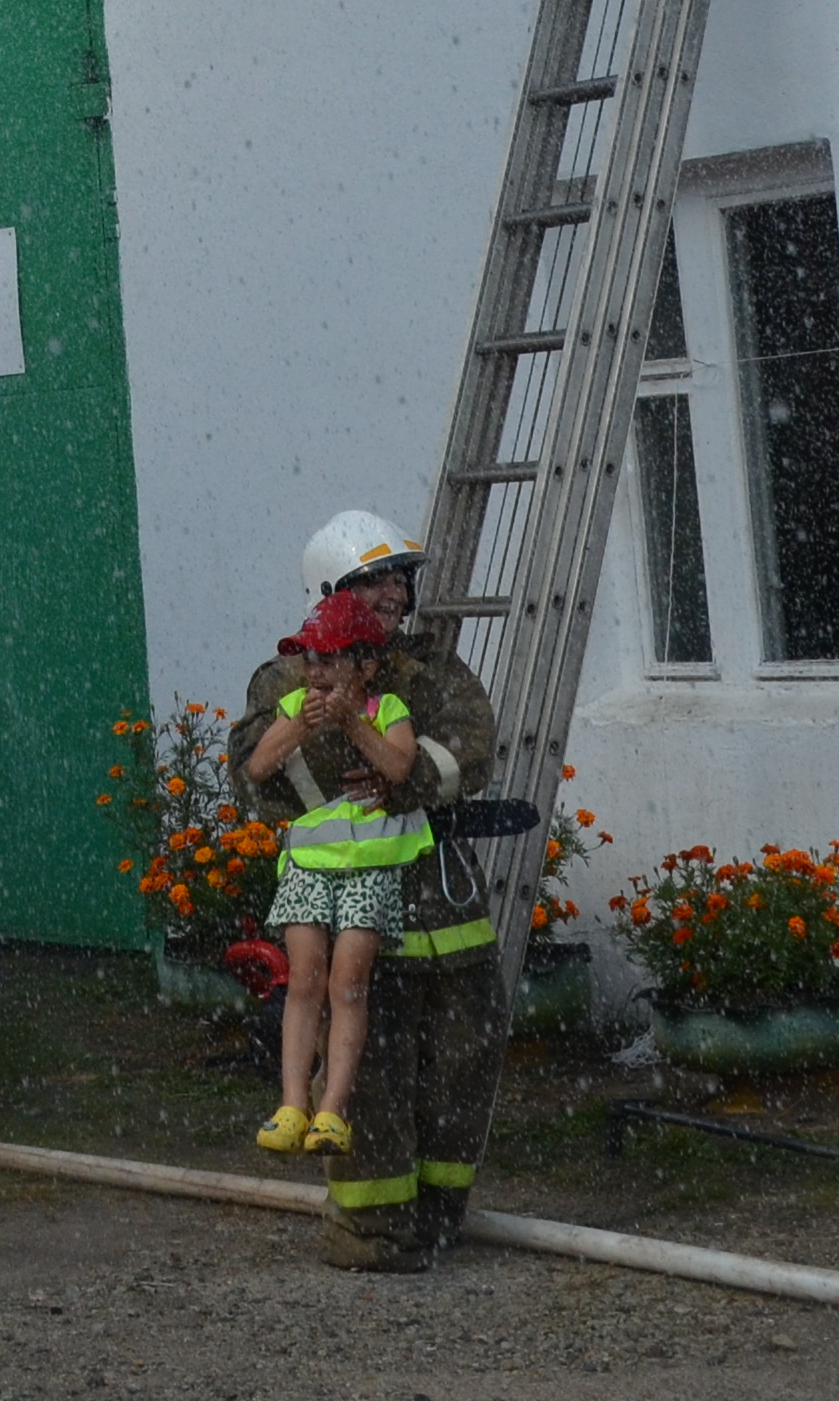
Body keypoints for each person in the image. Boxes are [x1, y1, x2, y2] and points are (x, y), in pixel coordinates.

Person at [230, 508, 506, 1272]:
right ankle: (372, 1231)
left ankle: (441, 1214)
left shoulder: (433, 672)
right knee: (371, 1074)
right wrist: (332, 737)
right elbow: (257, 776)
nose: (393, 591)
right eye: (373, 579)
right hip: (351, 914)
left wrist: (406, 776)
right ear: (330, 589)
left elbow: (469, 755)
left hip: (441, 904)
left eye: (399, 578)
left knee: (462, 1056)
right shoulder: (288, 677)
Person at [245, 594, 424, 1172]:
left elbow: (400, 768)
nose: (314, 672)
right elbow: (257, 766)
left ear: (365, 668)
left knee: (348, 986)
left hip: (368, 871)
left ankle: (333, 1110)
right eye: (310, 660)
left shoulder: (389, 706)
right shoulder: (296, 702)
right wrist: (299, 723)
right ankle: (292, 1105)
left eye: (327, 661)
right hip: (308, 869)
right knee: (304, 982)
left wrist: (352, 720)